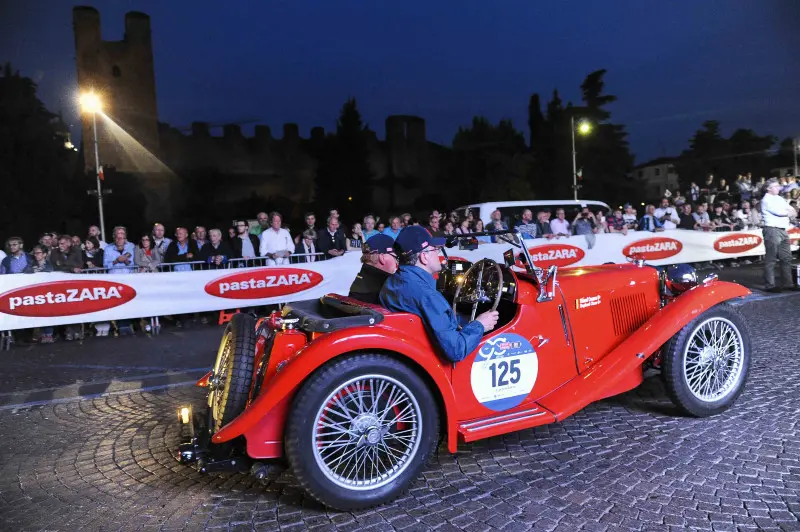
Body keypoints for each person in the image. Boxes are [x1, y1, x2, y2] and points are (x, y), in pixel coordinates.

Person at [379, 226, 499, 363]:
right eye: (435, 249)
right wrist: (481, 324)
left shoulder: (393, 281)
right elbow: (456, 349)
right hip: (434, 359)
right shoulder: (427, 296)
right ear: (424, 257)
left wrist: (469, 322)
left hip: (406, 353)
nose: (438, 253)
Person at [761, 178, 798, 292]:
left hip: (782, 230)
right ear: (768, 188)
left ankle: (788, 283)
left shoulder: (779, 198)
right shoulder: (766, 200)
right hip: (772, 230)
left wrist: (790, 211)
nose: (779, 188)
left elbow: (793, 209)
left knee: (786, 257)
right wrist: (789, 212)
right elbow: (780, 212)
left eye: (778, 186)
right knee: (771, 258)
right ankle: (770, 285)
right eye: (776, 186)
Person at [348, 234, 397, 304]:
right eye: (395, 256)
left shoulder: (362, 281)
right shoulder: (388, 289)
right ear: (382, 258)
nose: (397, 261)